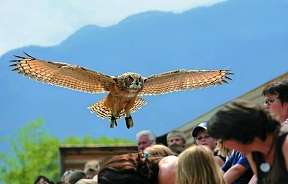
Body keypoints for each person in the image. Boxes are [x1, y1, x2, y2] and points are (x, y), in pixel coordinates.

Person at [207, 100, 288, 184]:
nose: (223, 145)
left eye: (223, 139)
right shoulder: (253, 154)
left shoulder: (285, 144)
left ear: (238, 132)